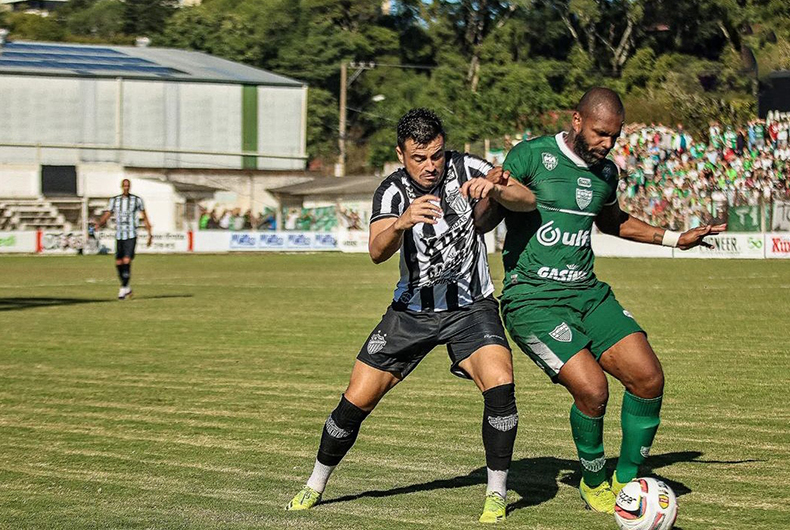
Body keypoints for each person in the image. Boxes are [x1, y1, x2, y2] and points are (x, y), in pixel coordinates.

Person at [285, 108, 536, 523]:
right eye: (420, 158)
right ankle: (315, 484)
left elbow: (526, 200)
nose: (431, 166)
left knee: (501, 386)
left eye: (436, 155)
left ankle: (496, 493)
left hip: (470, 307)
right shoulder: (391, 192)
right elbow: (376, 251)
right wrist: (401, 224)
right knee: (354, 404)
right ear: (402, 154)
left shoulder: (467, 165)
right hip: (411, 314)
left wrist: (497, 188)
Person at [492, 88, 726, 514]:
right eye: (601, 133)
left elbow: (613, 221)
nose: (608, 144)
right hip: (533, 300)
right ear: (577, 120)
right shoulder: (529, 156)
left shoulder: (607, 173)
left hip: (587, 292)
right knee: (593, 390)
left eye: (615, 136)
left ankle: (628, 478)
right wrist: (493, 190)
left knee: (648, 377)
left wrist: (676, 238)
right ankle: (594, 479)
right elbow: (497, 206)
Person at [95, 179, 152, 300]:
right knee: (118, 263)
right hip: (119, 235)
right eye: (124, 186)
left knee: (127, 260)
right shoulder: (115, 200)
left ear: (130, 187)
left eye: (128, 186)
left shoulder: (137, 200)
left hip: (131, 235)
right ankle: (127, 287)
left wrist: (149, 233)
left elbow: (144, 216)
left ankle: (122, 289)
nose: (126, 188)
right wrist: (99, 223)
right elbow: (108, 213)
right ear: (121, 187)